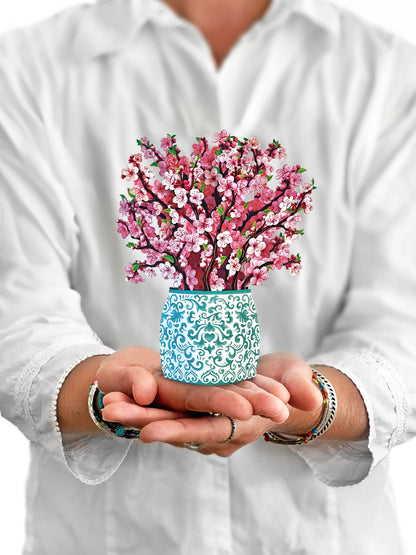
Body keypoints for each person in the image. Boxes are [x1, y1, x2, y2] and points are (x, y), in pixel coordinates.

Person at [0, 0, 415, 553]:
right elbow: (15, 306)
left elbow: (403, 315)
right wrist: (100, 393)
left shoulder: (387, 72)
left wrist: (318, 405)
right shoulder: (28, 66)